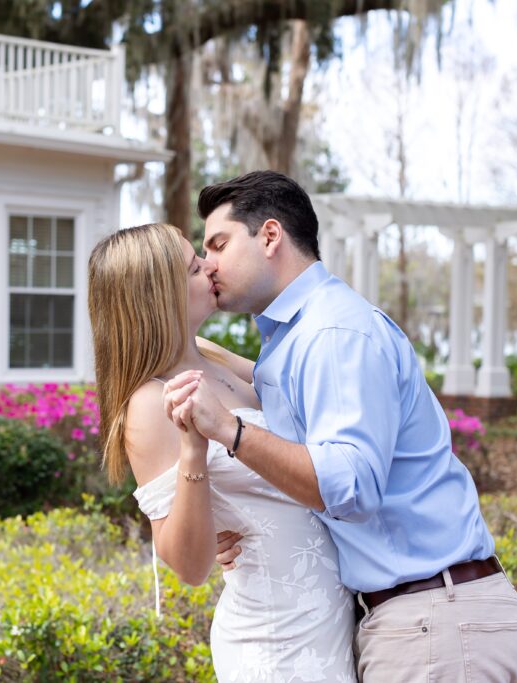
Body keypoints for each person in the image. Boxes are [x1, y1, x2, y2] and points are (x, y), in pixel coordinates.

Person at [161, 171, 517, 682]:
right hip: (410, 616)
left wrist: (230, 432)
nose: (209, 264)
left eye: (218, 244)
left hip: (434, 616)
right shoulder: (297, 338)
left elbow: (350, 486)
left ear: (269, 236)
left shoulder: (333, 333)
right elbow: (275, 397)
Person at [87, 223, 357, 682]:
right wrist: (195, 450)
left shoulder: (213, 356)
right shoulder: (151, 404)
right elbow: (188, 566)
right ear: (158, 298)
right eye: (194, 267)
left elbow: (301, 403)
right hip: (276, 638)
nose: (211, 266)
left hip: (332, 617)